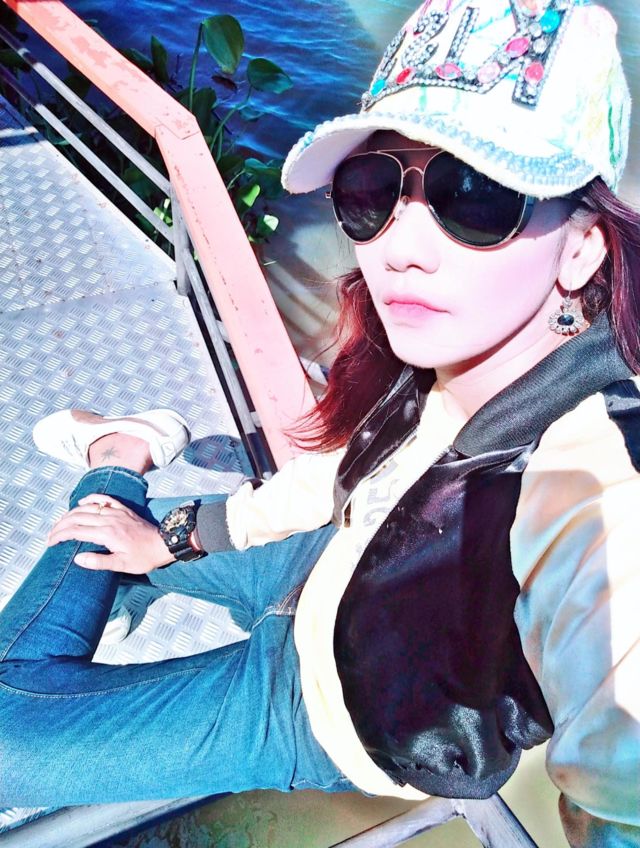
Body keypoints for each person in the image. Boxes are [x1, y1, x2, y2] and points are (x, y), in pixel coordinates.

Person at [0, 0, 638, 844]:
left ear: (584, 246)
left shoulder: (597, 487)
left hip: (320, 714)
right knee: (115, 534)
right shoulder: (458, 362)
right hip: (324, 573)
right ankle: (124, 471)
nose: (397, 248)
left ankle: (120, 452)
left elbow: (622, 799)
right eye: (373, 191)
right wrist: (182, 537)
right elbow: (347, 478)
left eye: (474, 197)